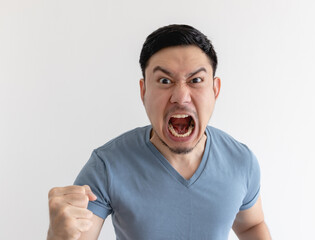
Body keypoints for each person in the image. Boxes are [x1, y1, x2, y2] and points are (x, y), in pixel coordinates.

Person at [47, 24, 271, 240]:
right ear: (143, 91)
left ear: (215, 90)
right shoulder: (107, 165)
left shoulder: (241, 161)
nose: (181, 97)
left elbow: (252, 224)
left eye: (195, 80)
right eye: (165, 80)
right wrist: (58, 236)